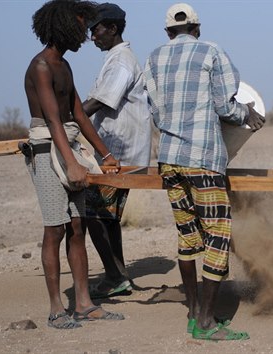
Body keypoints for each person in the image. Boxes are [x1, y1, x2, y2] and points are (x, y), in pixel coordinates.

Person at [143, 3, 265, 341]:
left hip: (168, 157)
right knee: (218, 233)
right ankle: (207, 323)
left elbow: (155, 112)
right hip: (202, 156)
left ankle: (195, 313)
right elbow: (225, 105)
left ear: (168, 32)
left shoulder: (153, 58)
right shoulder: (211, 50)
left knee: (187, 236)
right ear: (197, 28)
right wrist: (247, 114)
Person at [24, 0, 124, 329]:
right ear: (63, 27)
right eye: (81, 27)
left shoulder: (63, 66)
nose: (85, 34)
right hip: (48, 150)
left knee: (77, 227)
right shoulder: (41, 66)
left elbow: (78, 114)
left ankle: (84, 304)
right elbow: (53, 120)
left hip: (68, 147)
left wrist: (105, 155)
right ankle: (56, 309)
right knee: (54, 229)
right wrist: (72, 165)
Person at [82, 2, 152, 299]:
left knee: (93, 214)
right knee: (106, 216)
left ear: (111, 28)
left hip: (119, 153)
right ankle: (118, 275)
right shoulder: (116, 58)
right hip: (119, 151)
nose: (92, 37)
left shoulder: (121, 60)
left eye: (95, 30)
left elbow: (99, 102)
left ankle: (114, 276)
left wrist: (59, 118)